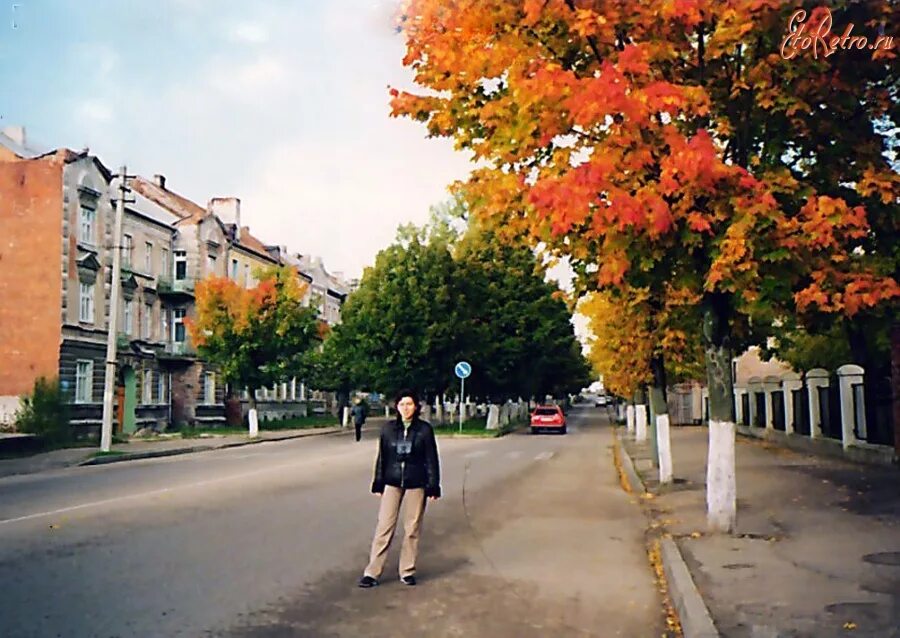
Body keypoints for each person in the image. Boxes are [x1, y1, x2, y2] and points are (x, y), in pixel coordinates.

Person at [358, 389, 441, 588]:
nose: (406, 408)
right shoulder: (388, 429)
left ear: (416, 407)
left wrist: (433, 485)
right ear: (396, 406)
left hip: (416, 482)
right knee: (384, 527)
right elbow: (382, 458)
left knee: (412, 529)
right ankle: (372, 572)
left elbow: (431, 458)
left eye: (410, 404)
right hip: (392, 482)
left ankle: (407, 570)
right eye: (402, 404)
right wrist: (378, 482)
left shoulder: (424, 430)